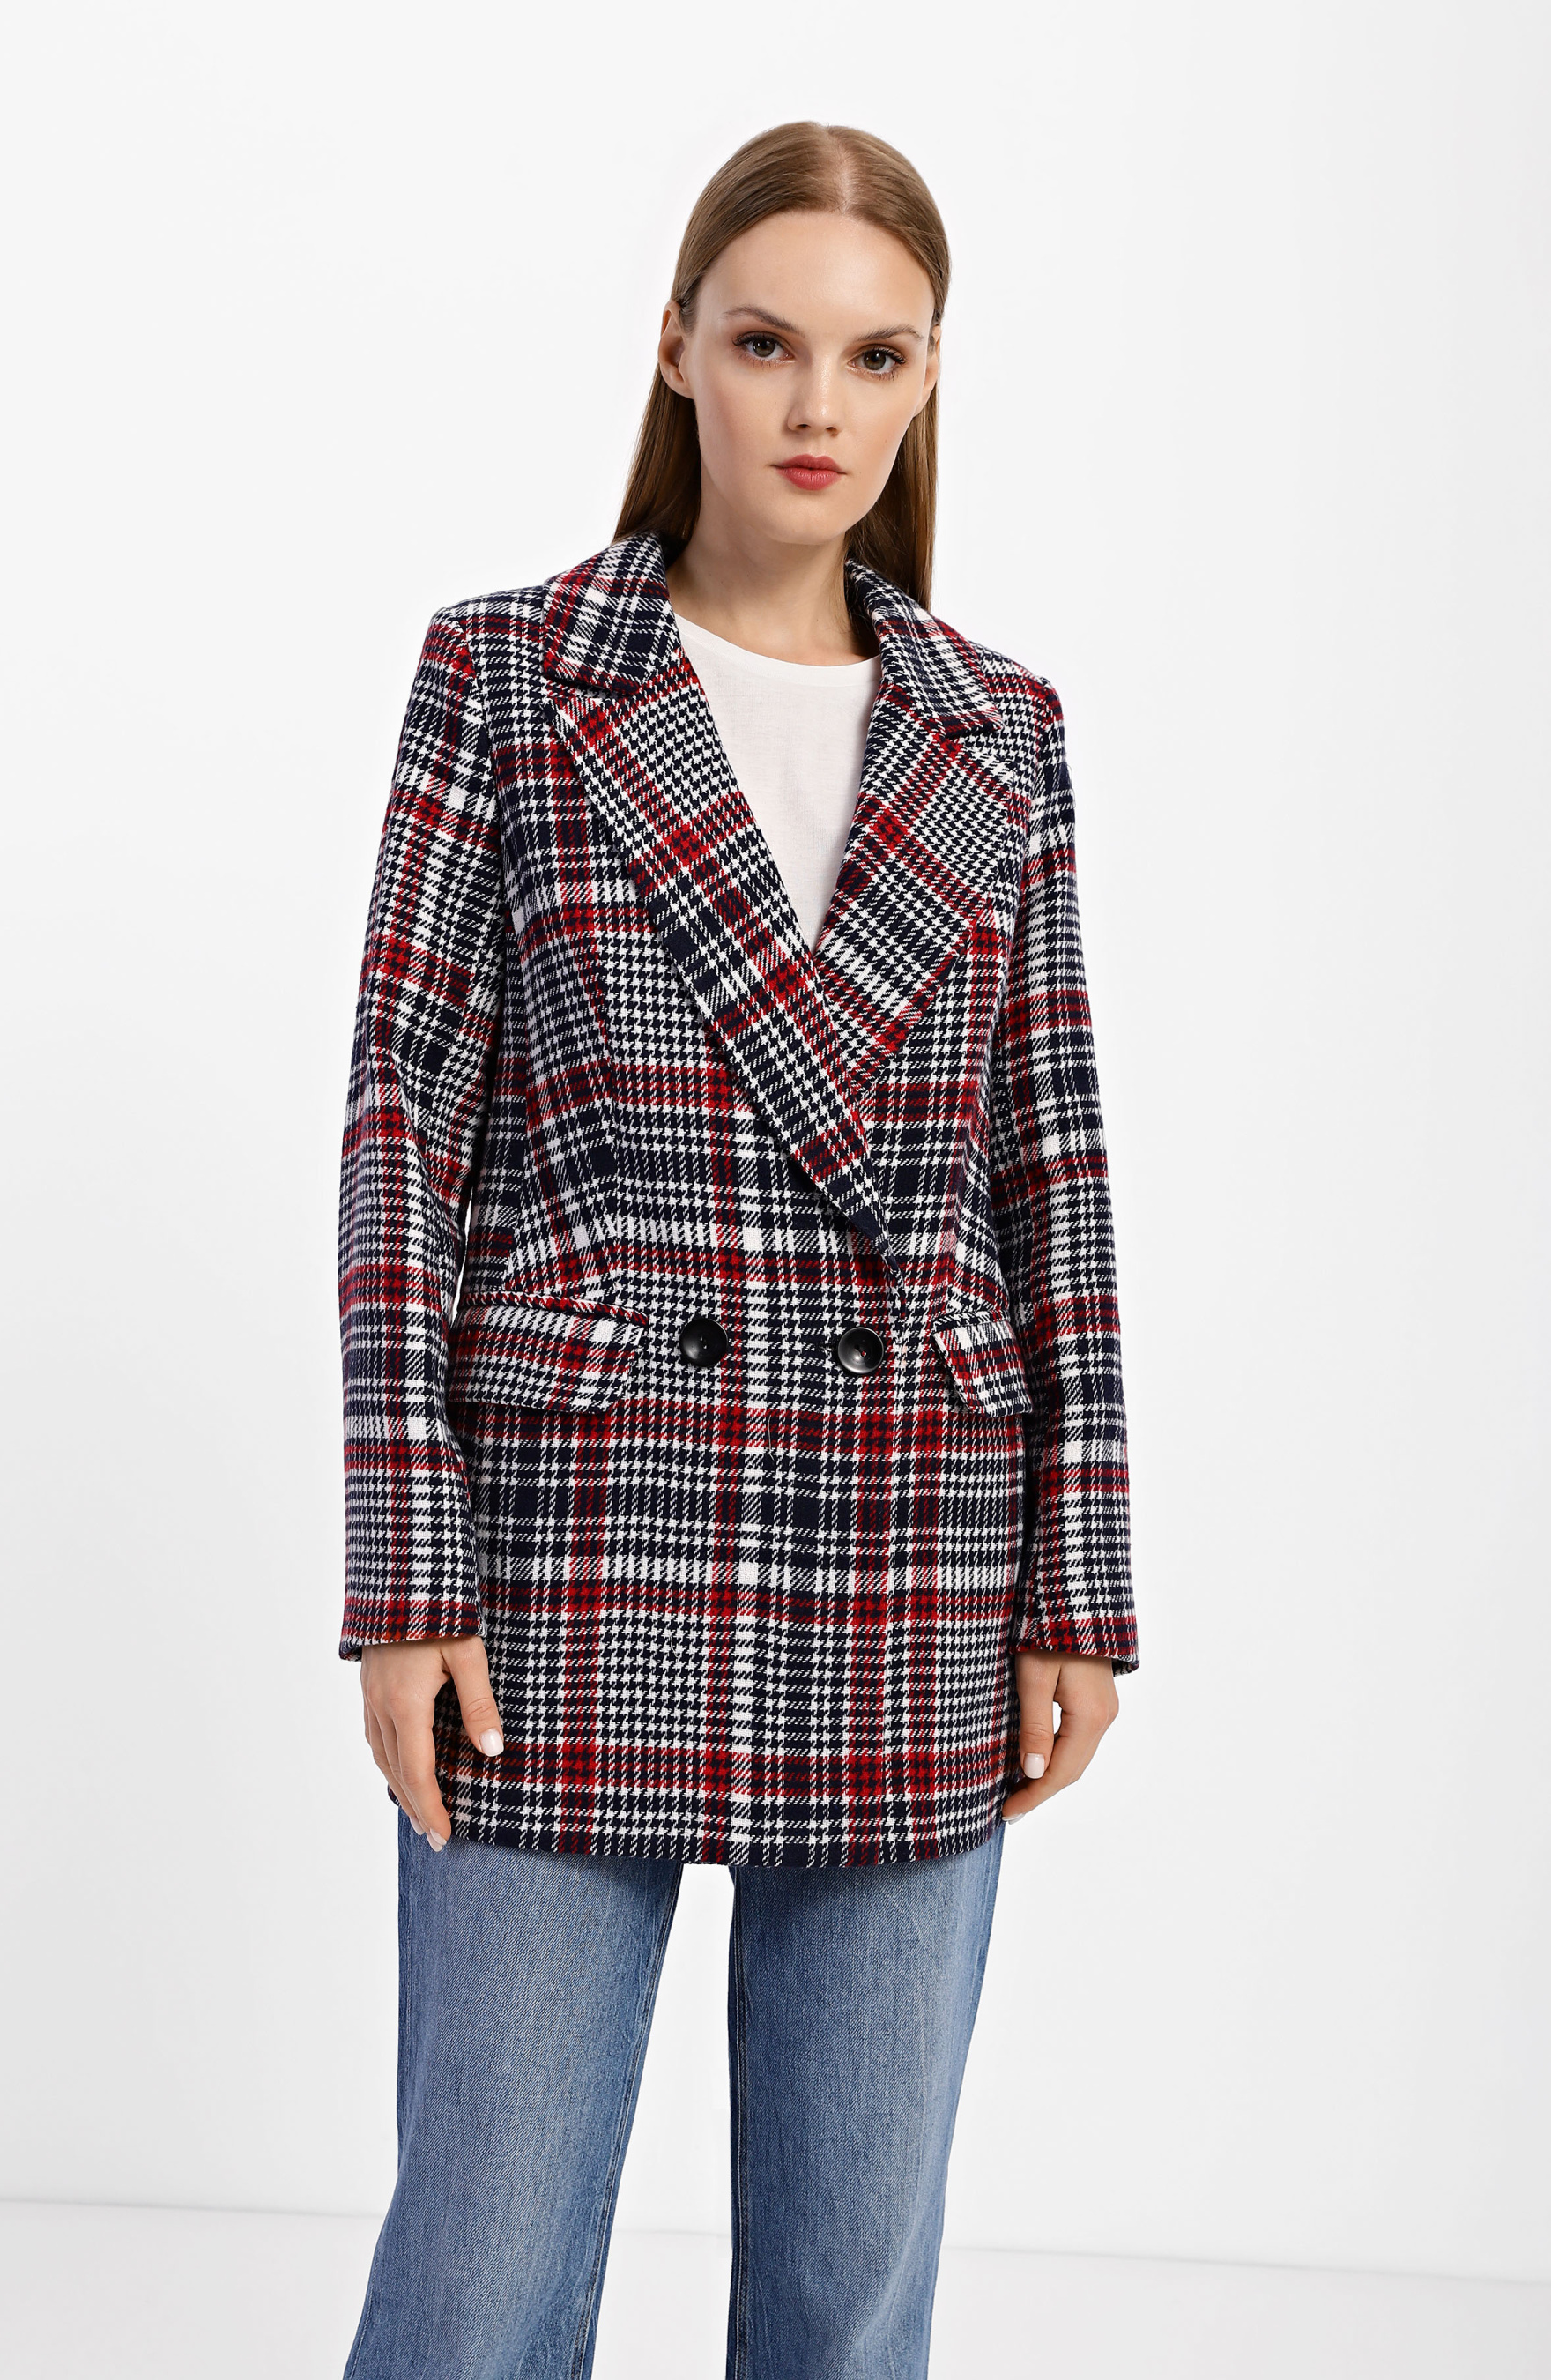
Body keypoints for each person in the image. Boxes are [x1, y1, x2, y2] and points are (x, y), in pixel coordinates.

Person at [336, 120, 1138, 2380]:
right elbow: (402, 1135)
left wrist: (1077, 1582)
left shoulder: (1000, 731)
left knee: (847, 2305)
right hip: (571, 1543)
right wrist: (403, 1577)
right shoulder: (507, 676)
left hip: (912, 1538)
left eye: (874, 356)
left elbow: (1050, 1168)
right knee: (479, 2277)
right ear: (675, 348)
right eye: (766, 342)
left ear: (926, 379)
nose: (815, 404)